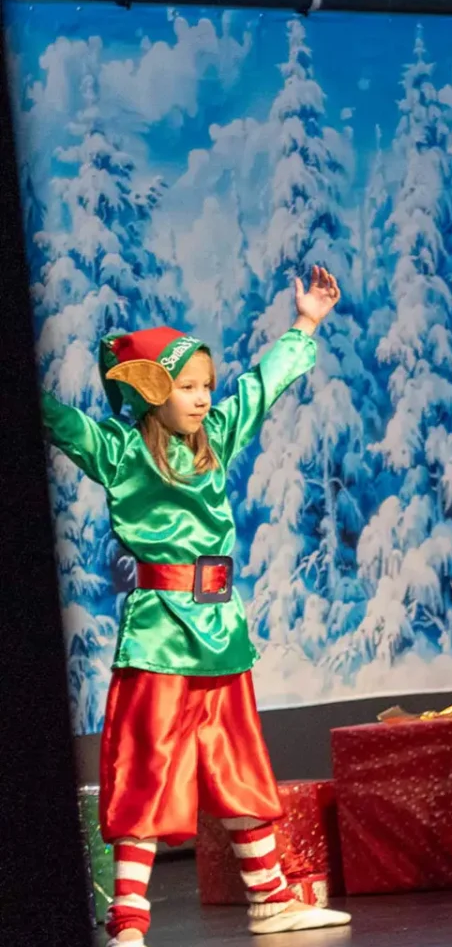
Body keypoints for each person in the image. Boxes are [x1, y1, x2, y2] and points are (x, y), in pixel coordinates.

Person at [43, 267, 352, 945]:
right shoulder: (121, 451)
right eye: (187, 386)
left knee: (239, 762)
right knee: (148, 769)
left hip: (220, 634)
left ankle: (270, 898)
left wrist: (306, 323)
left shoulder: (215, 439)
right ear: (152, 391)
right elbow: (61, 423)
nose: (204, 397)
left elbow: (262, 386)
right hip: (161, 635)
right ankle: (128, 920)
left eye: (207, 385)